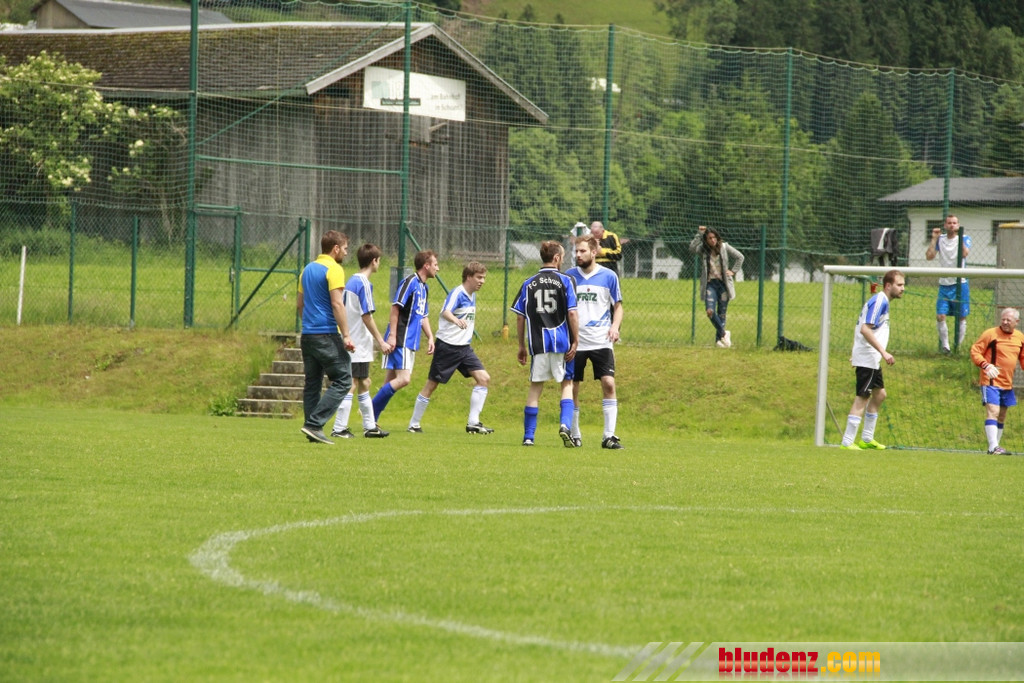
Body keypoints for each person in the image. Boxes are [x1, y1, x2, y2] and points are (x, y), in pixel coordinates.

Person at [407, 262, 493, 435]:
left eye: (484, 278)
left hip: (464, 349)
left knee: (484, 378)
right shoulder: (458, 293)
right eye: (479, 277)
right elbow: (445, 311)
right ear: (468, 277)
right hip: (447, 347)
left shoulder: (472, 295)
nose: (482, 281)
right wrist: (456, 320)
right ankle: (413, 424)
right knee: (432, 385)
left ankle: (473, 423)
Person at [511, 240, 579, 447]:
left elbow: (520, 316)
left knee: (535, 388)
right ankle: (565, 425)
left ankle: (528, 437)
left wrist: (521, 345)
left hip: (538, 343)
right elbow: (572, 313)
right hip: (561, 343)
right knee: (566, 384)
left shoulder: (528, 283)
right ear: (557, 258)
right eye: (563, 257)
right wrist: (576, 340)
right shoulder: (566, 280)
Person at [296, 230, 356, 445]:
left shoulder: (306, 270)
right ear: (336, 248)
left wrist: (309, 324)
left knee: (312, 383)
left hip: (308, 334)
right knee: (344, 379)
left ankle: (312, 429)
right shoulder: (334, 269)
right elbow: (337, 303)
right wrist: (346, 334)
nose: (346, 253)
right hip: (327, 333)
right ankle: (315, 424)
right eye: (345, 249)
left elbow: (300, 305)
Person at [565, 234, 624, 450]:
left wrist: (615, 327)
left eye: (582, 251)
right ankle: (575, 433)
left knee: (609, 383)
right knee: (573, 388)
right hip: (575, 342)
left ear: (594, 252)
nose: (578, 255)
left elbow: (618, 306)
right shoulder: (569, 276)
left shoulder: (609, 276)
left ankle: (609, 436)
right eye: (576, 251)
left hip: (601, 341)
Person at [331, 243, 393, 439]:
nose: (379, 264)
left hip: (354, 341)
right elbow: (366, 316)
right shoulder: (363, 284)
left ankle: (370, 427)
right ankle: (339, 428)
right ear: (374, 261)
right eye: (379, 260)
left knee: (364, 382)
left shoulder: (352, 281)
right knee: (352, 383)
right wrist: (381, 341)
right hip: (356, 342)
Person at [839, 269, 906, 450]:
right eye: (899, 285)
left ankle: (867, 439)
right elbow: (865, 329)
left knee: (880, 395)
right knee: (862, 397)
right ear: (888, 285)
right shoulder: (879, 301)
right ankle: (847, 442)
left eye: (903, 285)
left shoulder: (882, 302)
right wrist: (884, 352)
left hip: (870, 357)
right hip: (868, 357)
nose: (903, 288)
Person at [370, 250, 438, 426]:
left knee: (389, 382)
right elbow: (395, 308)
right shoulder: (410, 282)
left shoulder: (424, 288)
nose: (437, 268)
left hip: (410, 341)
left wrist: (430, 337)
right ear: (426, 265)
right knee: (404, 379)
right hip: (401, 338)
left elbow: (423, 315)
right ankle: (369, 412)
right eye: (435, 264)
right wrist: (393, 336)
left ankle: (371, 420)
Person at [970, 308, 1024, 455]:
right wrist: (985, 365)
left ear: (1017, 322)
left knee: (1002, 415)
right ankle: (993, 447)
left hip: (1007, 383)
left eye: (1008, 320)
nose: (1005, 322)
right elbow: (975, 351)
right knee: (993, 411)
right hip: (990, 381)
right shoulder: (990, 334)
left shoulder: (1020, 338)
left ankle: (994, 448)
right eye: (1003, 319)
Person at [689, 225, 745, 348]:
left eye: (714, 237)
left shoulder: (724, 247)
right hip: (710, 284)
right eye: (709, 238)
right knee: (710, 311)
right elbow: (692, 248)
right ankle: (724, 333)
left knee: (722, 314)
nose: (712, 240)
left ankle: (719, 341)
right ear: (706, 240)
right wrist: (699, 234)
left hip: (723, 284)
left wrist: (733, 271)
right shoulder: (703, 249)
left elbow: (740, 257)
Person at [925, 214, 972, 354]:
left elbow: (965, 254)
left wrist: (959, 236)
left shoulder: (964, 238)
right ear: (945, 225)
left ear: (958, 225)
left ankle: (957, 347)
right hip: (944, 284)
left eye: (954, 223)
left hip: (960, 283)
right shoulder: (941, 239)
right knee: (940, 315)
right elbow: (929, 256)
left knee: (961, 316)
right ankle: (946, 347)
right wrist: (934, 238)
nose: (952, 225)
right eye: (949, 223)